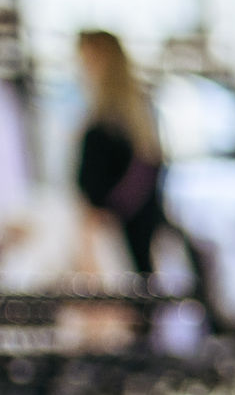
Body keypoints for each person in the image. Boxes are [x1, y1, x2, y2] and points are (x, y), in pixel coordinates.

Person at [70, 28, 168, 277]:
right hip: (139, 235)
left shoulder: (103, 128)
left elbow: (92, 197)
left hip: (112, 239)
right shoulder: (141, 120)